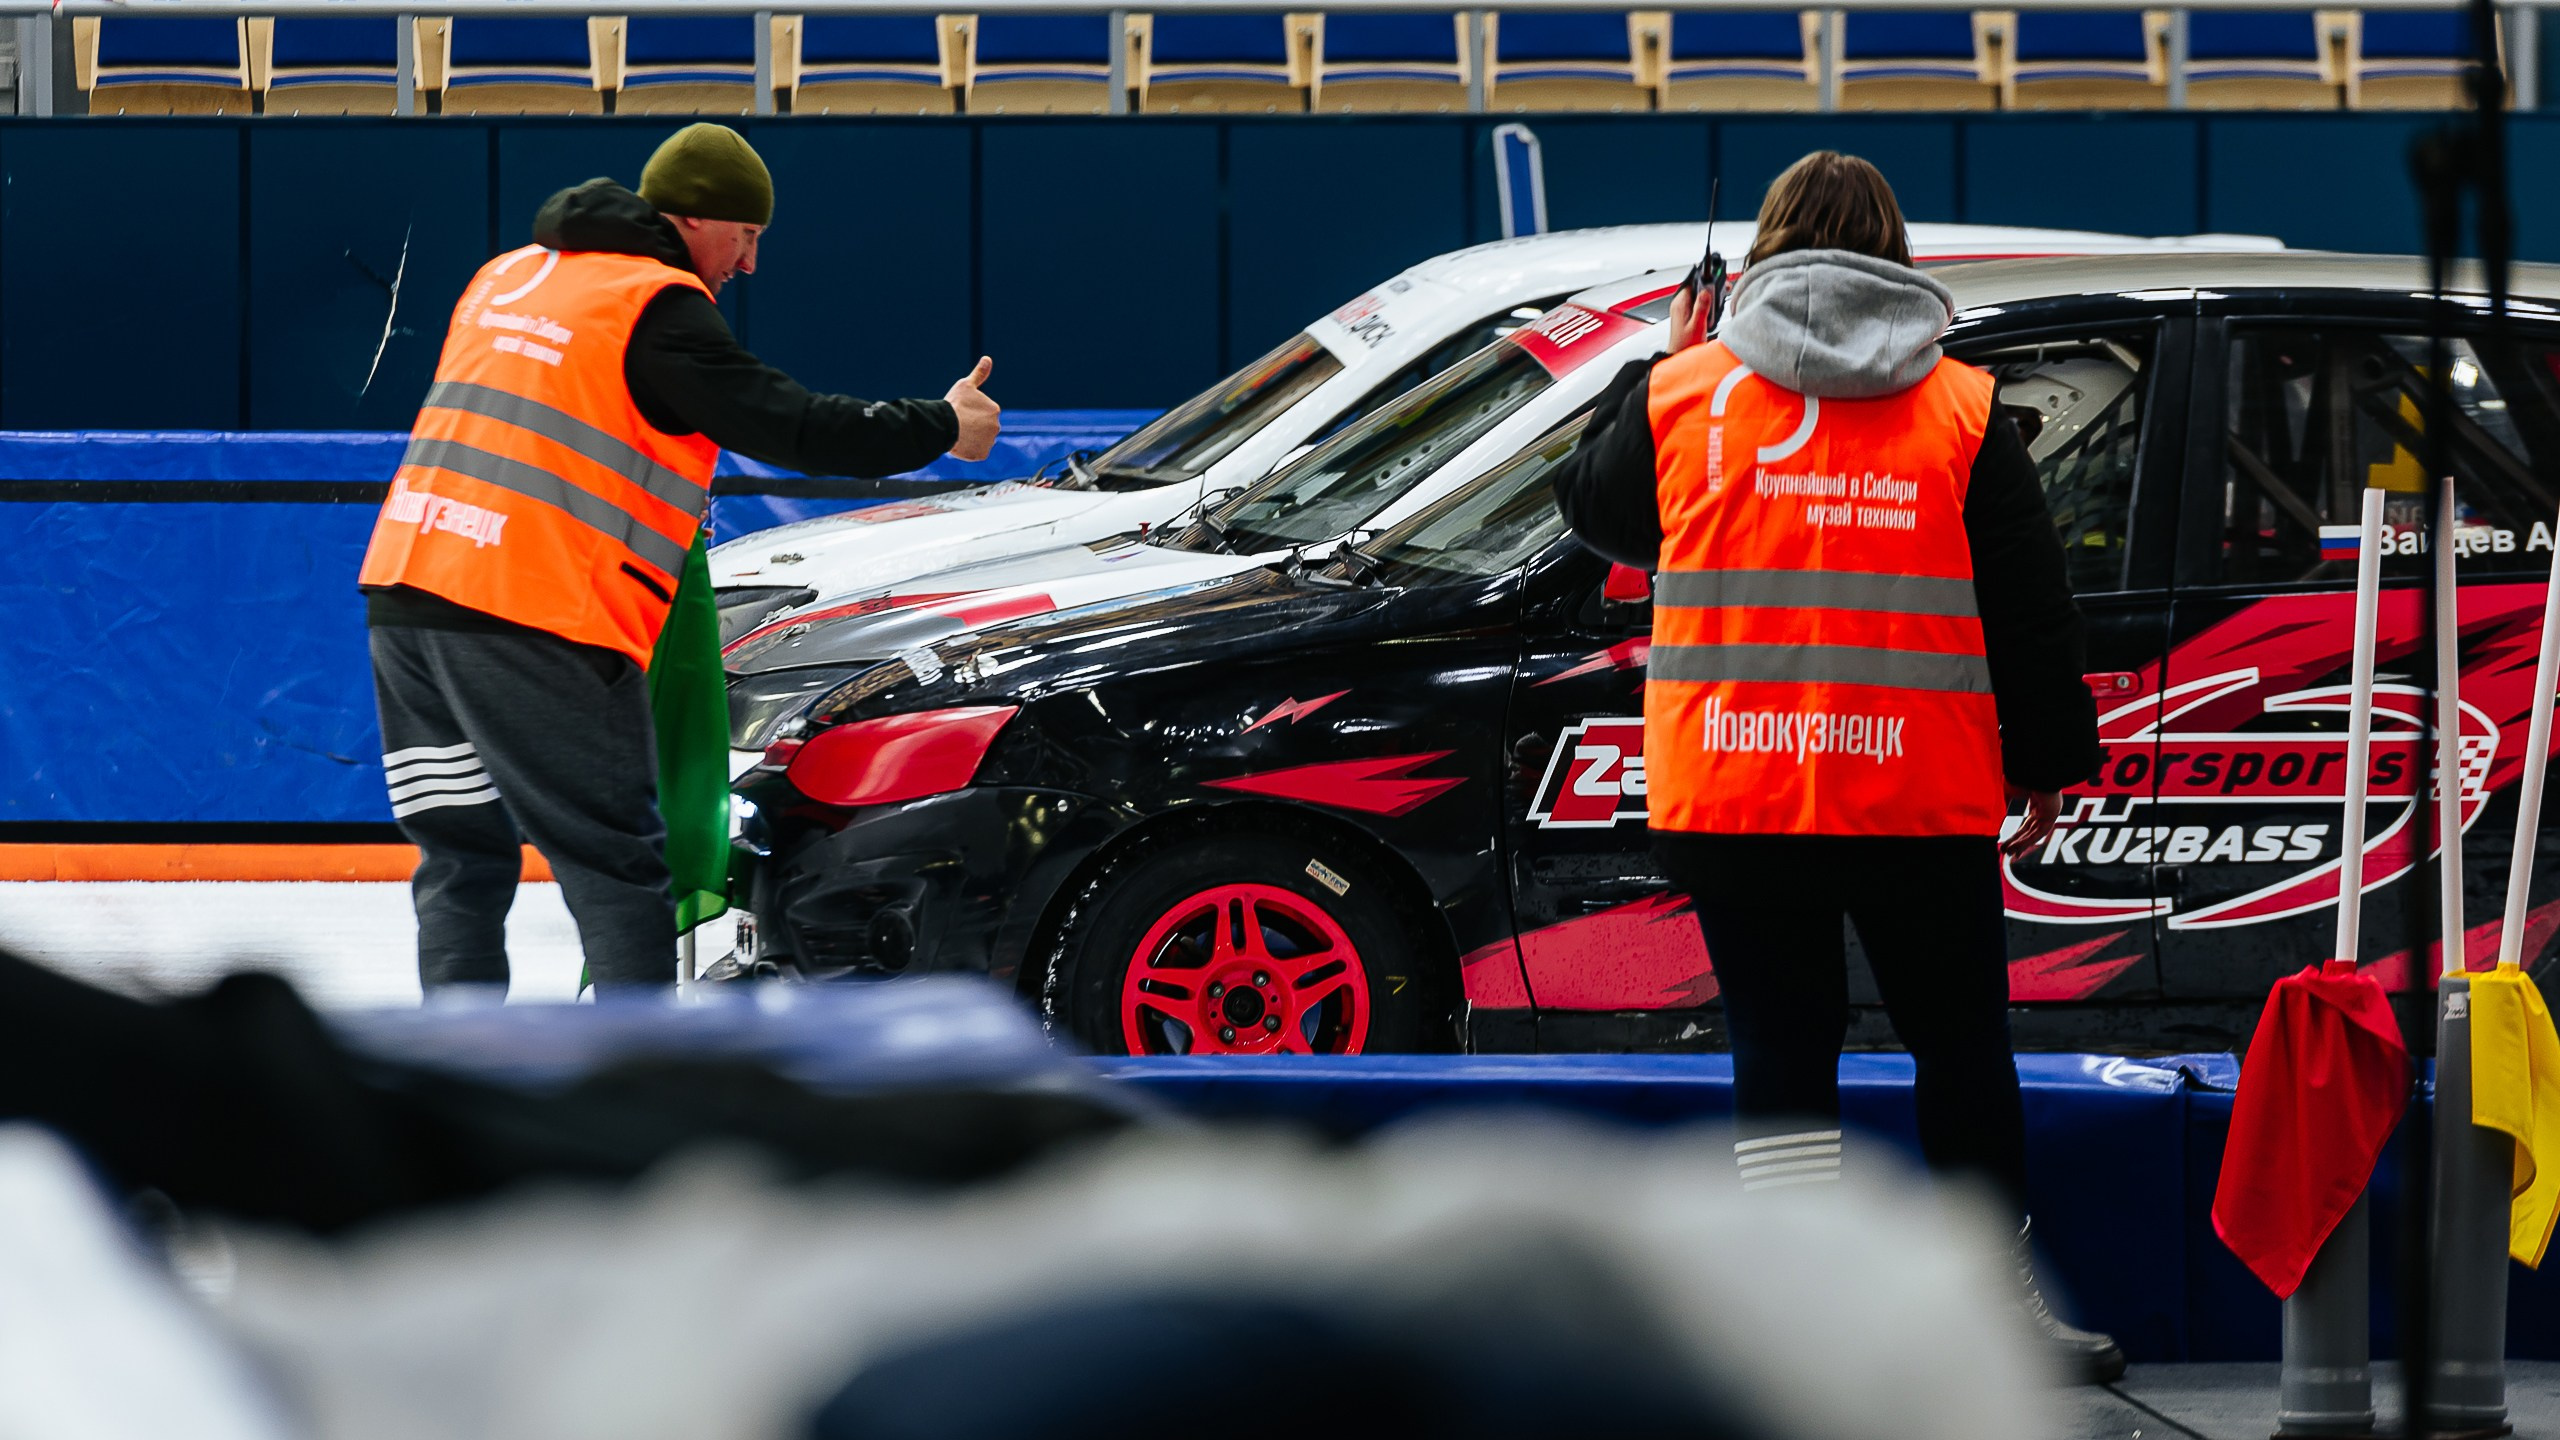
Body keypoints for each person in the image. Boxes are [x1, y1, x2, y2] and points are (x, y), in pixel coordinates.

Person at [1549, 151, 2121, 1382]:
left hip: (1735, 789)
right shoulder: (1963, 407)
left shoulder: (1684, 394)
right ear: (1894, 251)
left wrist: (1663, 355)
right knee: (1960, 1047)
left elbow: (1595, 515)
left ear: (1764, 247)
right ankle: (1991, 1314)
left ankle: (1780, 1314)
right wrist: (2048, 761)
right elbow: (2029, 609)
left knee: (1780, 1047)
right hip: (1917, 792)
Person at [359, 123, 1002, 995]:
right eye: (748, 238)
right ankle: (641, 1087)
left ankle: (452, 1077)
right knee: (620, 870)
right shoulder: (653, 305)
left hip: (407, 597)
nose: (749, 266)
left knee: (461, 863)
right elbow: (792, 424)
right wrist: (939, 425)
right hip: (533, 615)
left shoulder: (508, 275)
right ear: (699, 221)